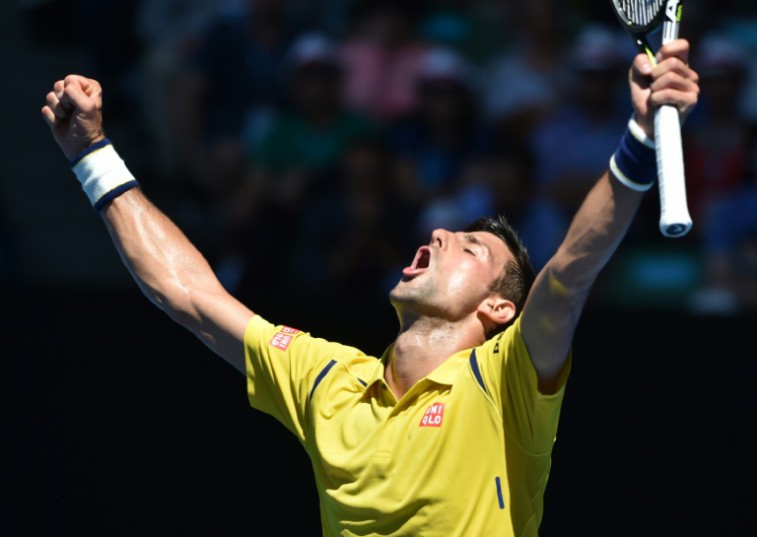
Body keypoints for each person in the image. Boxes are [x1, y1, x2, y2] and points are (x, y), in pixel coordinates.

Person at [41, 38, 699, 536]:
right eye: (447, 233)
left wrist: (639, 138)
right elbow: (188, 295)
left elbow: (566, 274)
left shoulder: (508, 380)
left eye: (470, 247)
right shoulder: (329, 379)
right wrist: (92, 155)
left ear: (499, 307)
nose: (440, 234)